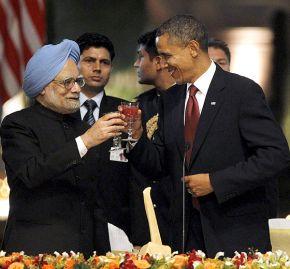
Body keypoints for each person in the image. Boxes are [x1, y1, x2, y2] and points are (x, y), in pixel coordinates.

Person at [126, 15, 290, 257]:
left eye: (168, 56)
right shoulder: (171, 99)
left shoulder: (241, 92)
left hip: (235, 234)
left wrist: (216, 182)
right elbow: (161, 162)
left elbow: (275, 156)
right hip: (184, 237)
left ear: (193, 48)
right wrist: (138, 137)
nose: (163, 64)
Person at [0, 39, 125, 256]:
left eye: (77, 81)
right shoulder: (17, 124)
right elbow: (31, 173)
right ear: (42, 88)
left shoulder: (82, 127)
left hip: (86, 252)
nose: (76, 88)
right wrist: (85, 142)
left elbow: (94, 196)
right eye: (67, 82)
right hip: (36, 251)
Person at [75, 32, 132, 251]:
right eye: (89, 60)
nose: (97, 68)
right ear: (76, 65)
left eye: (104, 62)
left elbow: (136, 175)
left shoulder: (126, 111)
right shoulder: (61, 112)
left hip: (116, 224)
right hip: (70, 222)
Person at [130, 29, 175, 246]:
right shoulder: (138, 105)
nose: (136, 64)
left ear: (158, 62)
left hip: (181, 215)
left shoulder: (189, 102)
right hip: (143, 218)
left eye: (140, 57)